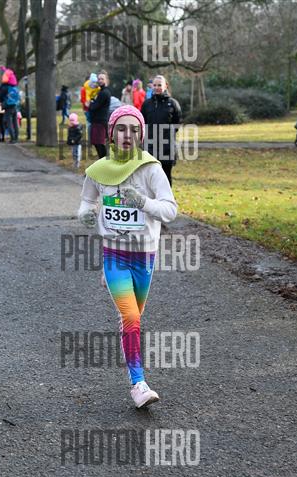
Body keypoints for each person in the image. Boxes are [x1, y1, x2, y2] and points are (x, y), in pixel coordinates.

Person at [76, 104, 177, 409]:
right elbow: (85, 203)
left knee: (134, 317)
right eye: (121, 128)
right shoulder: (97, 171)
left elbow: (170, 210)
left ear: (141, 135)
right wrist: (86, 215)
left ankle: (110, 279)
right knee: (130, 317)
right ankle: (138, 384)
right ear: (111, 133)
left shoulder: (151, 169)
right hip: (114, 253)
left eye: (134, 130)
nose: (127, 135)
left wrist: (143, 202)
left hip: (144, 256)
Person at [141, 75, 181, 186]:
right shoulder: (146, 104)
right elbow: (143, 123)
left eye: (159, 85)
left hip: (167, 147)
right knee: (150, 177)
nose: (157, 87)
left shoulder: (173, 104)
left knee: (166, 177)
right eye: (154, 85)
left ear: (166, 86)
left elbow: (177, 124)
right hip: (150, 146)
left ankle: (167, 197)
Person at [88, 71, 112, 158]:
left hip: (100, 122)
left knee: (99, 144)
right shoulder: (100, 91)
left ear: (106, 80)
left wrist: (90, 104)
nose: (100, 80)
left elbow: (94, 107)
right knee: (97, 143)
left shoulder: (104, 93)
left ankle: (104, 160)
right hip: (97, 121)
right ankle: (102, 160)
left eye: (102, 79)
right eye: (99, 79)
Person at [0, 66, 20, 143]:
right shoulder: (15, 88)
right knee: (15, 122)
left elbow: (0, 96)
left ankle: (12, 138)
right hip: (14, 106)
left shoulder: (5, 88)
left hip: (8, 106)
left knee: (9, 123)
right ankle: (16, 137)